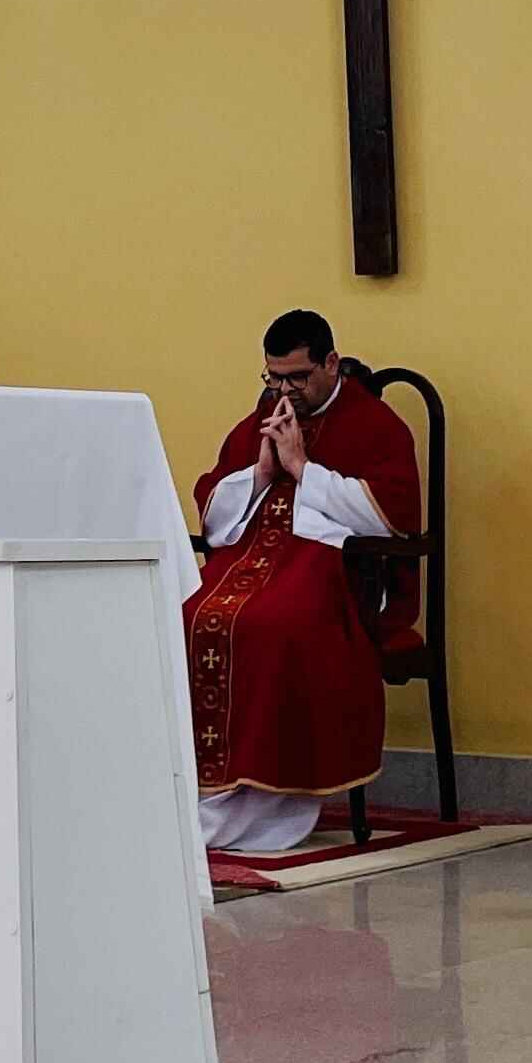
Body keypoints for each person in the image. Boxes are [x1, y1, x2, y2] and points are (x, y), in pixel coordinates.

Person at [185, 309, 425, 856]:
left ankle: (267, 800)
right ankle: (203, 792)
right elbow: (215, 516)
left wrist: (303, 469)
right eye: (274, 378)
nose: (284, 391)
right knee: (184, 613)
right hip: (248, 564)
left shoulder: (376, 425)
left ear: (331, 363)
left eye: (297, 377)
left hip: (332, 571)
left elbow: (391, 515)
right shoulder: (263, 417)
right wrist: (262, 473)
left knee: (278, 625)